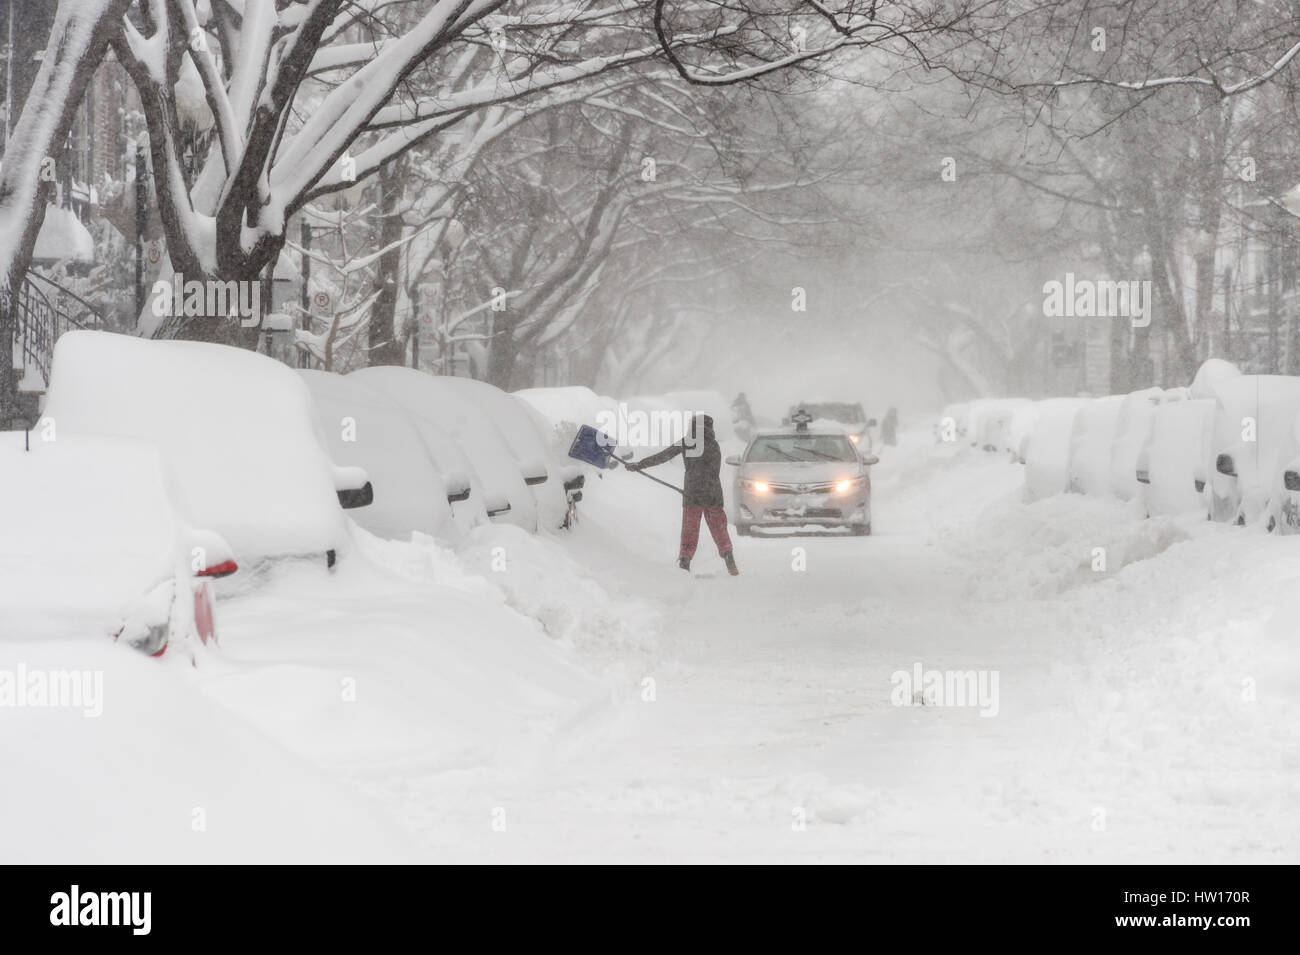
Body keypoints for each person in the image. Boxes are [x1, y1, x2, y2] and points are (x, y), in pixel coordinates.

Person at [625, 414, 739, 575]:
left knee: (690, 530)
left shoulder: (687, 442)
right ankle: (729, 559)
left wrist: (639, 465)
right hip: (713, 493)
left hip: (692, 493)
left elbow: (663, 456)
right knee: (719, 528)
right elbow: (712, 470)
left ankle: (685, 563)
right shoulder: (714, 445)